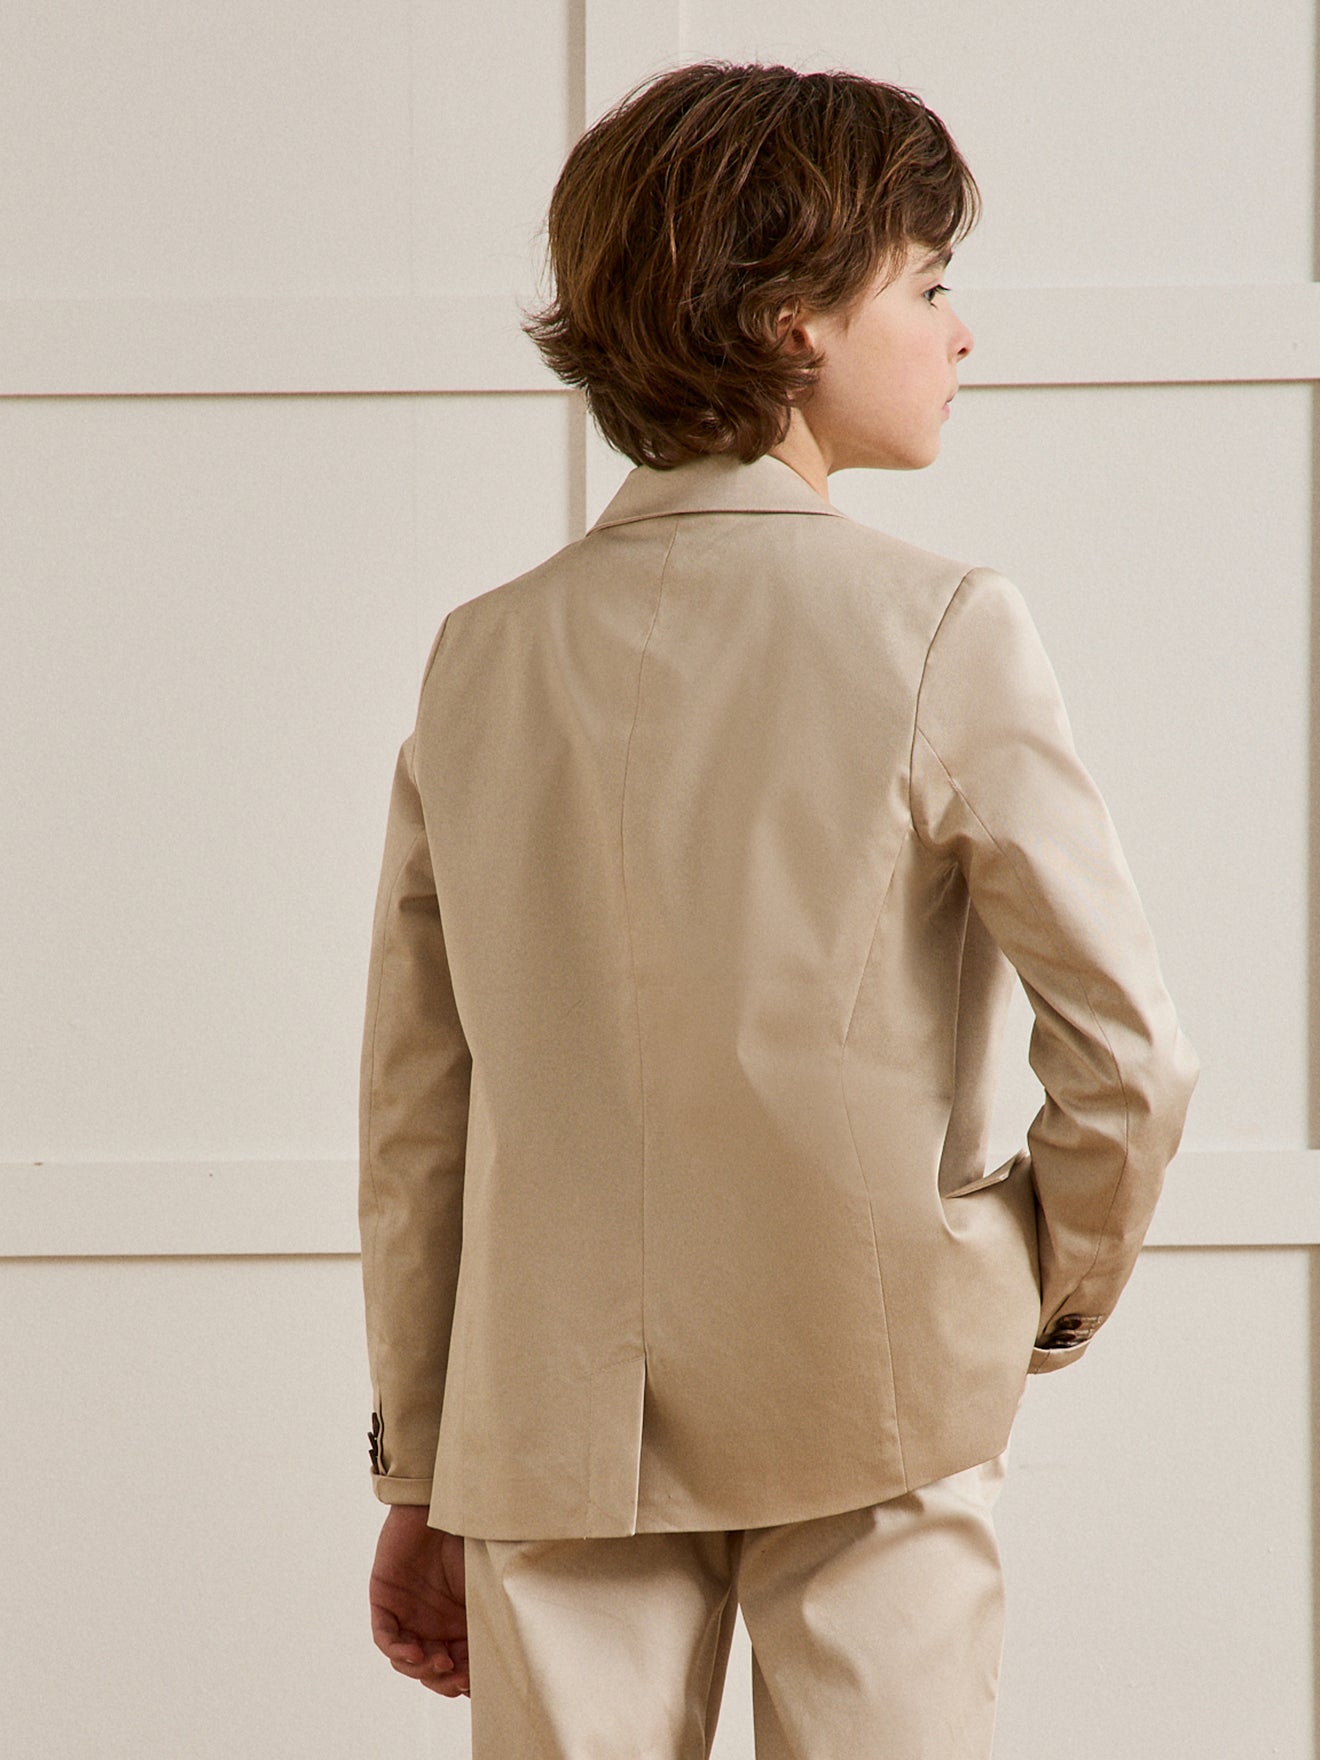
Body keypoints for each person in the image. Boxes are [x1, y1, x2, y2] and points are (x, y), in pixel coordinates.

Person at [358, 61, 1198, 1758]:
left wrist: (426, 1467)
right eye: (930, 286)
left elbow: (418, 1110)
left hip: (549, 1422)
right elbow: (1131, 1057)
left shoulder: (480, 656)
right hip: (879, 1392)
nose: (963, 334)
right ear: (792, 317)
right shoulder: (941, 627)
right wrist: (1032, 1291)